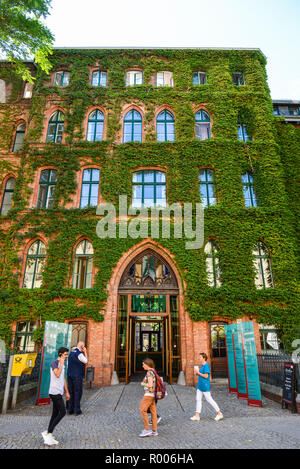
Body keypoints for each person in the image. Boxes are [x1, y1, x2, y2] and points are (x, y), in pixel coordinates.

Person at [41, 347, 70, 446]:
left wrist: (67, 392)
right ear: (60, 354)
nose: (66, 356)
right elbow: (57, 374)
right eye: (65, 354)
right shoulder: (54, 363)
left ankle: (49, 433)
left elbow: (63, 378)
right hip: (54, 392)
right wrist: (61, 363)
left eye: (67, 354)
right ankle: (48, 433)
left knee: (55, 414)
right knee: (62, 412)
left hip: (59, 392)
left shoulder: (63, 365)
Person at [190, 352, 223, 422]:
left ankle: (219, 413)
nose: (199, 358)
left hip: (205, 386)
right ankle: (197, 415)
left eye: (200, 357)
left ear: (204, 358)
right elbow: (201, 375)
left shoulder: (206, 366)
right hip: (200, 385)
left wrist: (198, 373)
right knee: (198, 399)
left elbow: (206, 376)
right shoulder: (202, 366)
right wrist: (197, 373)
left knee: (209, 399)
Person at [67, 341, 88, 415]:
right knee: (77, 392)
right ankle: (77, 410)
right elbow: (86, 361)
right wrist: (85, 352)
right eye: (83, 347)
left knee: (71, 392)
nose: (84, 348)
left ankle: (70, 409)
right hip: (77, 376)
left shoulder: (71, 352)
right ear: (82, 346)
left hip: (70, 375)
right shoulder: (79, 354)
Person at [139, 358, 158, 437]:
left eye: (143, 364)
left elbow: (150, 385)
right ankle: (154, 430)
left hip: (148, 395)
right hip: (153, 395)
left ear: (147, 364)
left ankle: (147, 429)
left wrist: (143, 384)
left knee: (142, 410)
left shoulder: (149, 372)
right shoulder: (153, 371)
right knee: (153, 412)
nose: (143, 366)